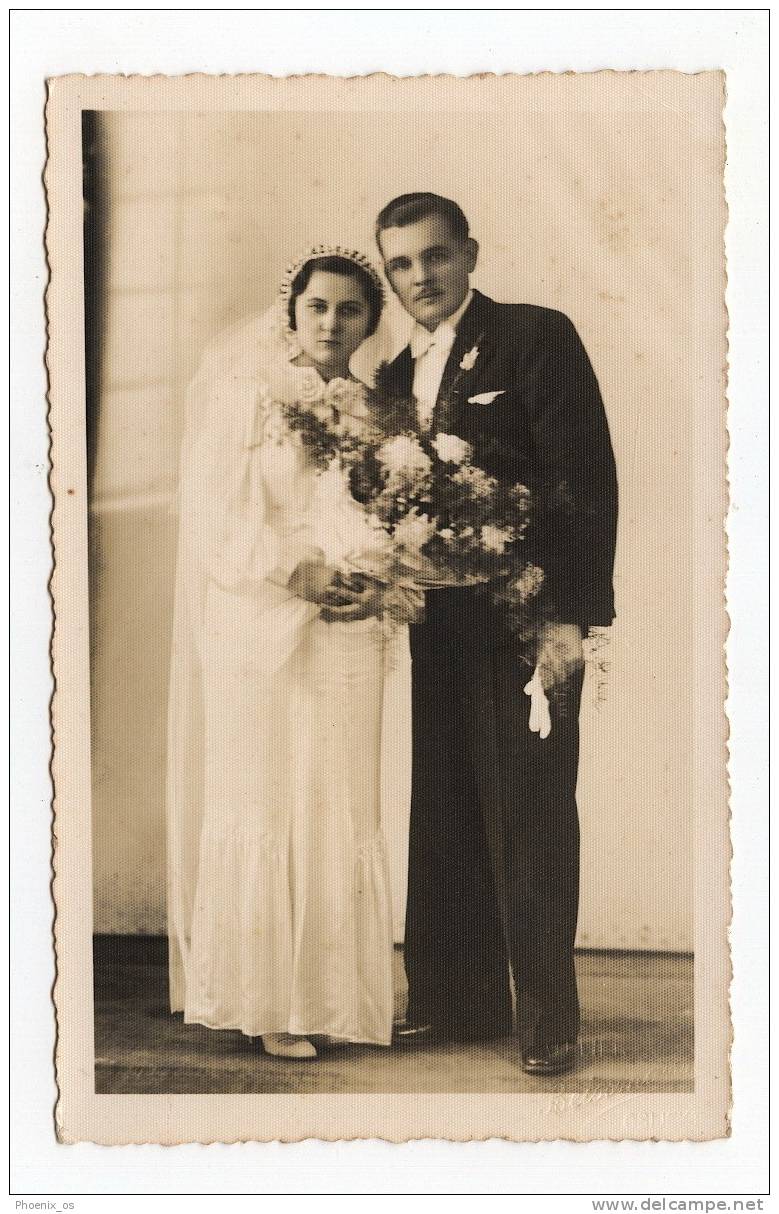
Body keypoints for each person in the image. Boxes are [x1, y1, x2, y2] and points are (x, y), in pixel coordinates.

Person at [374, 193, 618, 1075]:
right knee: (444, 809)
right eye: (400, 264)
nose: (419, 278)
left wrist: (568, 618)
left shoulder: (532, 335)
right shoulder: (393, 377)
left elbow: (584, 475)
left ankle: (548, 1016)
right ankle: (453, 1001)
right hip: (437, 625)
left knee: (532, 813)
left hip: (526, 619)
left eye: (434, 257)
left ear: (468, 254)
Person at [166, 247, 394, 1059]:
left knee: (334, 796)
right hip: (259, 621)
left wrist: (375, 580)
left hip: (344, 626)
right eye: (318, 308)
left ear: (372, 320)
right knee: (264, 795)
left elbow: (393, 519)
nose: (333, 324)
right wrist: (290, 569)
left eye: (351, 310)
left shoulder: (377, 411)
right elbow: (211, 513)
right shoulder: (245, 391)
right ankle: (265, 999)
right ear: (290, 313)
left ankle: (329, 994)